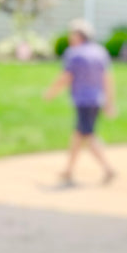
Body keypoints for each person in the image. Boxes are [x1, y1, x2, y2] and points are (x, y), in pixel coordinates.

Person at [43, 19, 117, 185]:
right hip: (97, 99)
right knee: (78, 136)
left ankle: (108, 168)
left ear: (78, 36)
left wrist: (51, 92)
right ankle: (69, 170)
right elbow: (107, 79)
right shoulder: (100, 52)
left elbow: (66, 77)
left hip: (83, 101)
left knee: (88, 136)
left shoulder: (74, 54)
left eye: (71, 34)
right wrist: (110, 102)